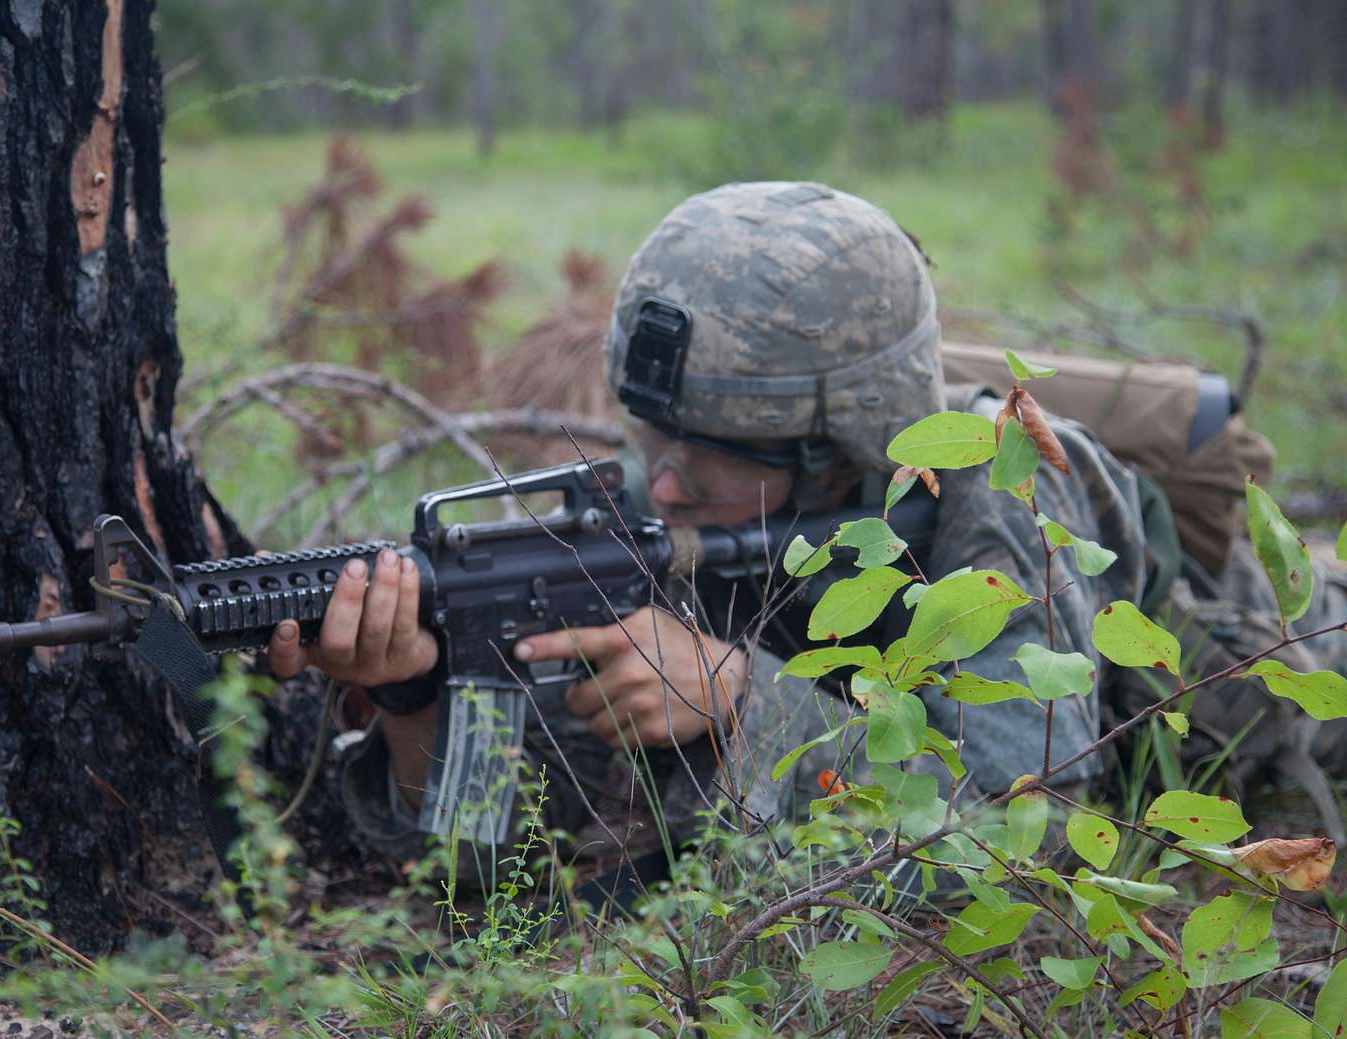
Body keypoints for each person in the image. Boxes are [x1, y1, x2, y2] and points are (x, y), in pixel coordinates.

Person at [267, 181, 1347, 875]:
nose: (666, 484)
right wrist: (415, 692)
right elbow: (509, 845)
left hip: (1273, 651)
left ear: (844, 448)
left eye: (715, 454)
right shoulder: (674, 514)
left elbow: (1023, 834)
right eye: (652, 437)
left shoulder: (994, 498)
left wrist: (744, 696)